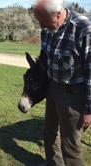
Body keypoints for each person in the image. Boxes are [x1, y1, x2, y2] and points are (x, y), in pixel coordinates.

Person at [33, 0, 91, 165]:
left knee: (70, 143)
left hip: (74, 94)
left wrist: (88, 109)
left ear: (58, 13)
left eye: (43, 21)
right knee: (49, 133)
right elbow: (45, 60)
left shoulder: (84, 29)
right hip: (53, 87)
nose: (42, 27)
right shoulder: (47, 28)